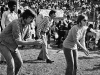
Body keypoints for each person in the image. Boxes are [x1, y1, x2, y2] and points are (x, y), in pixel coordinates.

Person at [0, 9, 43, 75]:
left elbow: (28, 38)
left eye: (33, 19)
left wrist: (36, 41)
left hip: (12, 45)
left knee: (19, 63)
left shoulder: (28, 25)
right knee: (11, 65)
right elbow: (19, 42)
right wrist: (34, 43)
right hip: (3, 43)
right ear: (25, 17)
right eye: (30, 18)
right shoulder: (16, 24)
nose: (32, 21)